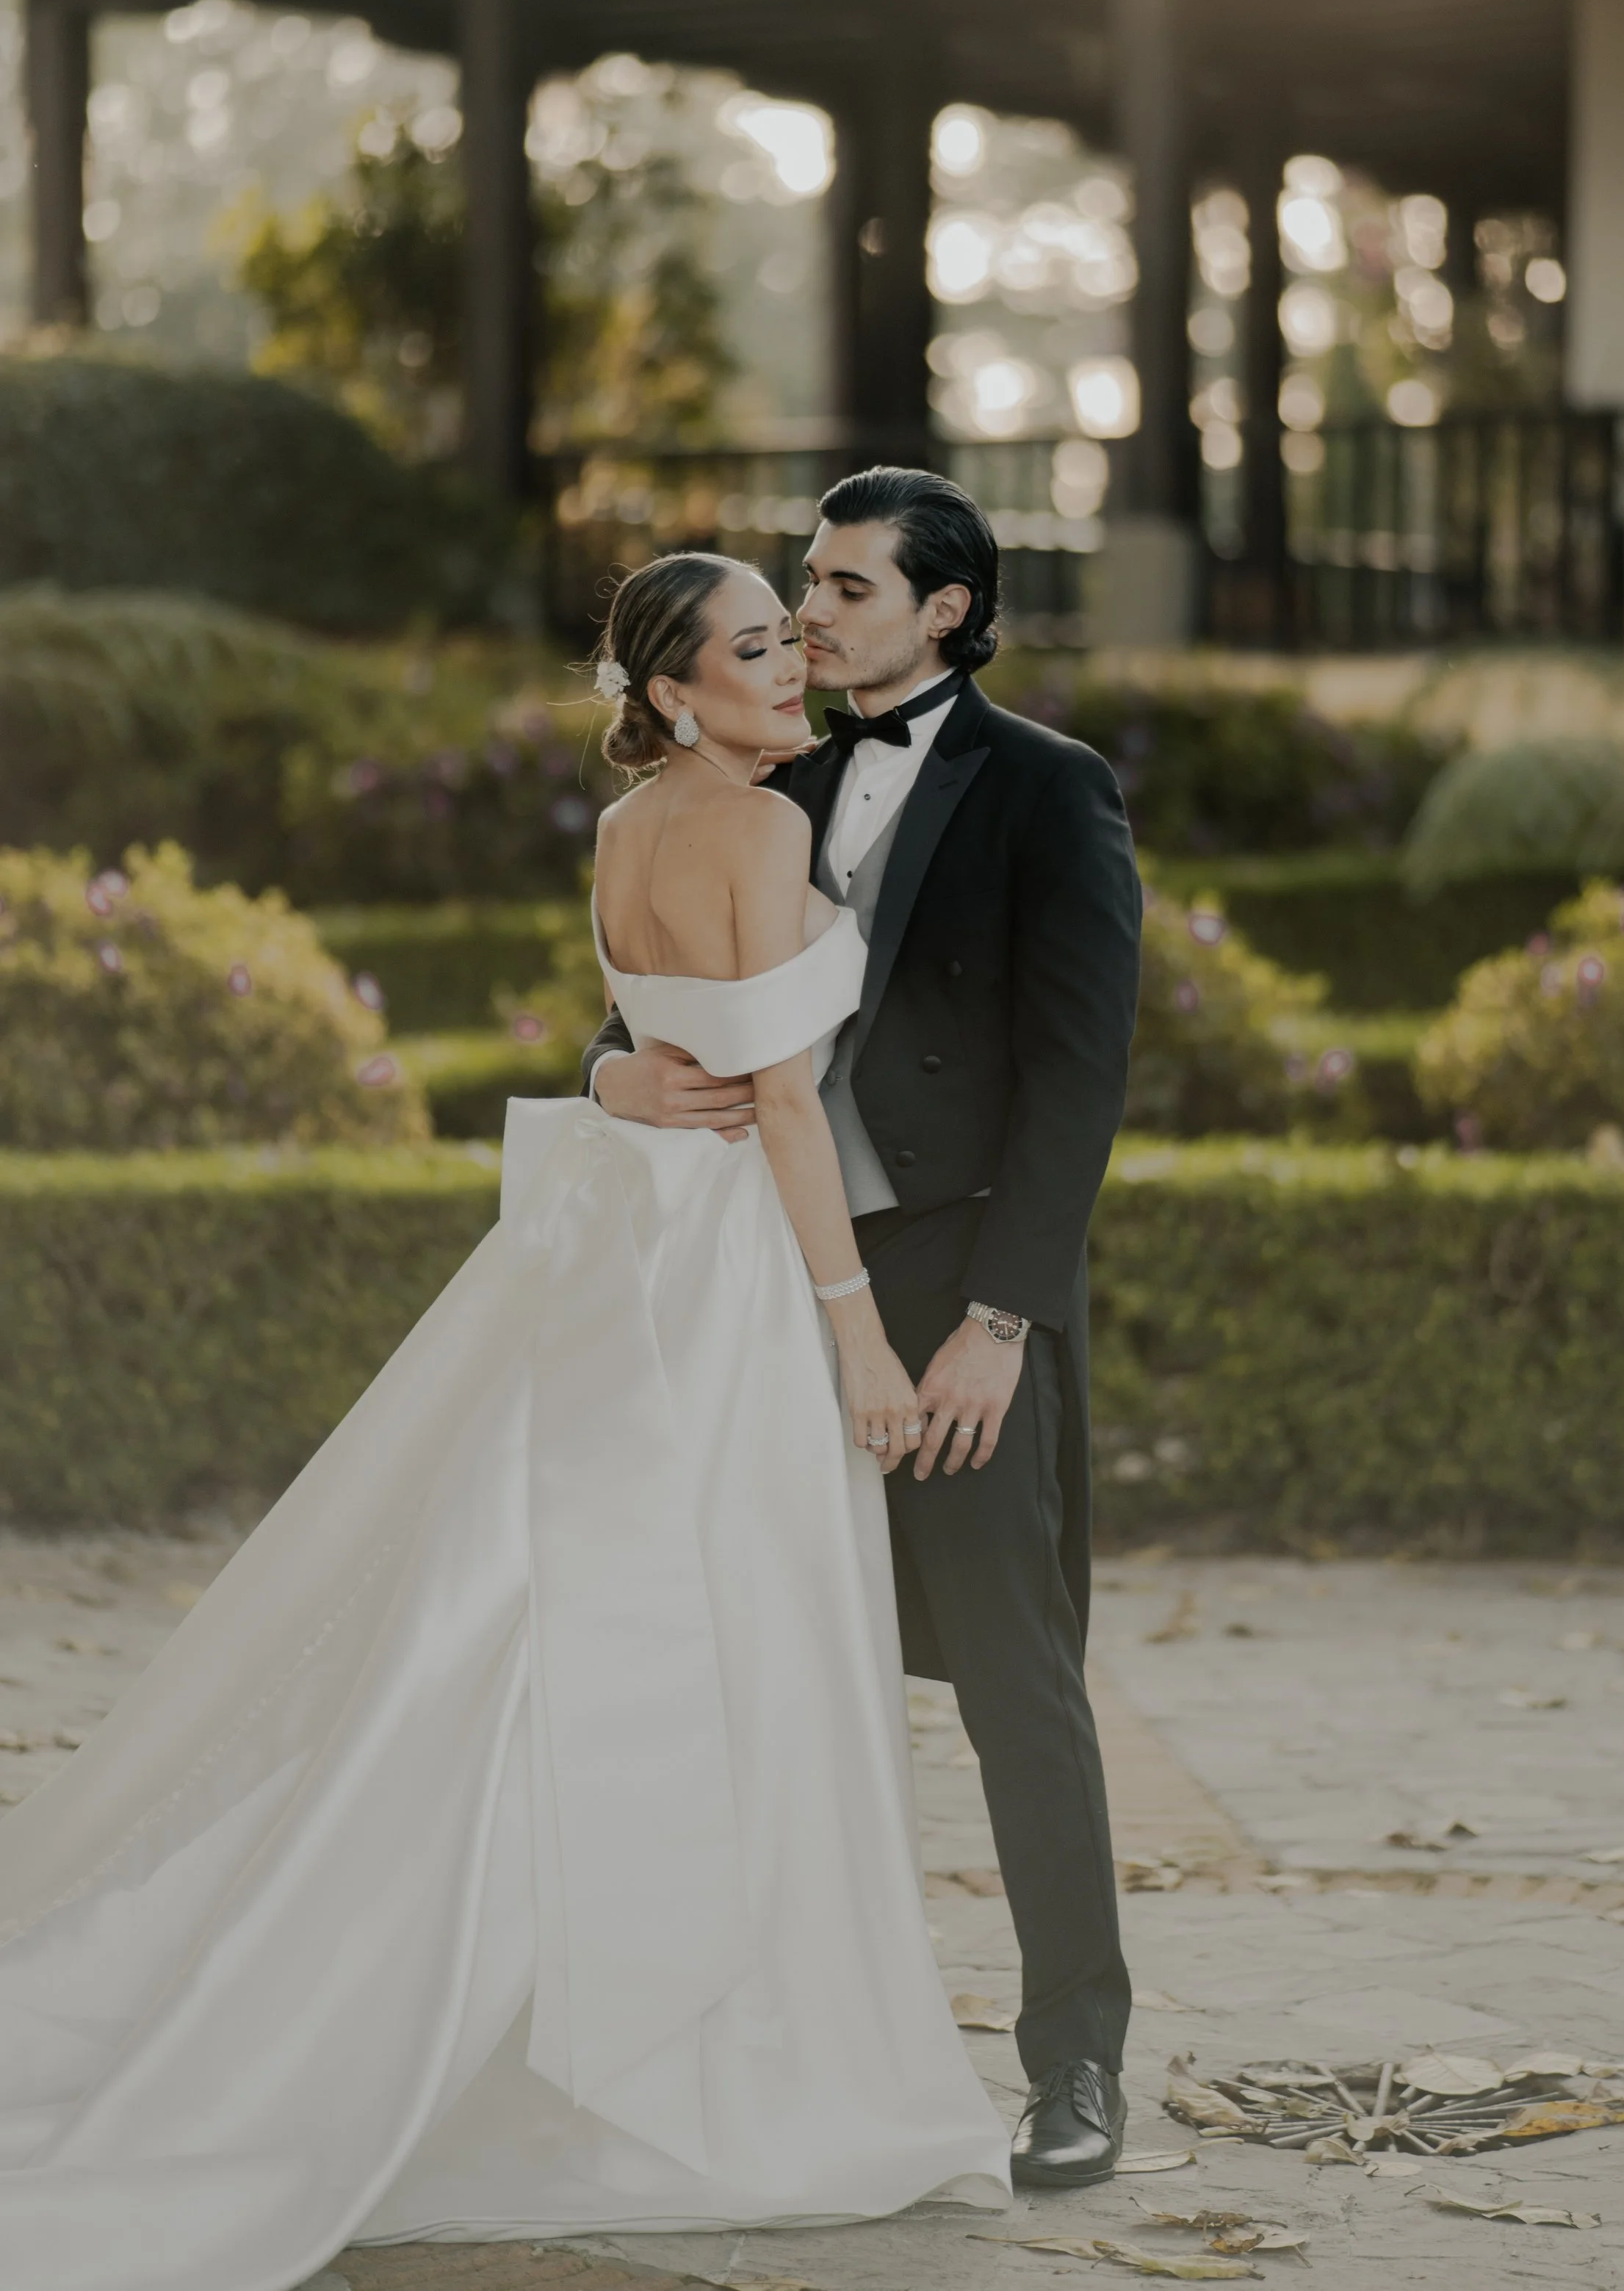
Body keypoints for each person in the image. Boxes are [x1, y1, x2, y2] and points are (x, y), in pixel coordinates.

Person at [0, 550, 1011, 2291]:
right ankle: (714, 2048)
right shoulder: (761, 833)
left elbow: (647, 1031)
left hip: (631, 1237)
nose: (790, 667)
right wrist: (852, 1334)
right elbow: (777, 1100)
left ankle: (592, 1989)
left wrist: (620, 1069)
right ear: (677, 695)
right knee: (731, 1621)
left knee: (576, 1612)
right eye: (755, 649)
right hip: (728, 1270)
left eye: (793, 637)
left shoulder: (626, 832)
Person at [585, 468, 1143, 2188]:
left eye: (841, 588)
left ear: (945, 611)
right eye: (801, 591)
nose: (809, 614)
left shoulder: (1052, 792)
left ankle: (1076, 2069)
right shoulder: (758, 776)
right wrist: (615, 1075)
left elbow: (1079, 1078)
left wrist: (1000, 1323)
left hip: (953, 1296)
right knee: (754, 1678)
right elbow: (632, 1008)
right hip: (766, 1295)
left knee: (1013, 1685)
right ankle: (749, 2052)